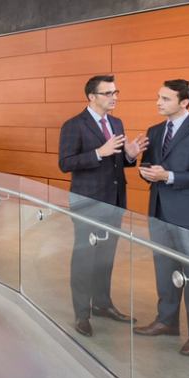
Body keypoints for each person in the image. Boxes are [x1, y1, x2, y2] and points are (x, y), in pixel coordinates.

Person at [134, 78, 189, 356]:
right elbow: (147, 166)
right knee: (164, 270)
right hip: (159, 210)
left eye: (166, 99)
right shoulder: (155, 130)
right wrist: (144, 170)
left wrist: (168, 176)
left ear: (184, 102)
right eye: (158, 97)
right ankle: (166, 321)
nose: (158, 103)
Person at [56, 74, 143, 336]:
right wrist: (98, 153)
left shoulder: (116, 122)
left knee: (106, 256)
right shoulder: (73, 125)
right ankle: (82, 314)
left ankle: (103, 304)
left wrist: (129, 156)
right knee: (84, 258)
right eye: (108, 93)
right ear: (92, 97)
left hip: (114, 202)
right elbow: (66, 163)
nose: (114, 97)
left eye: (116, 92)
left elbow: (118, 162)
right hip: (87, 202)